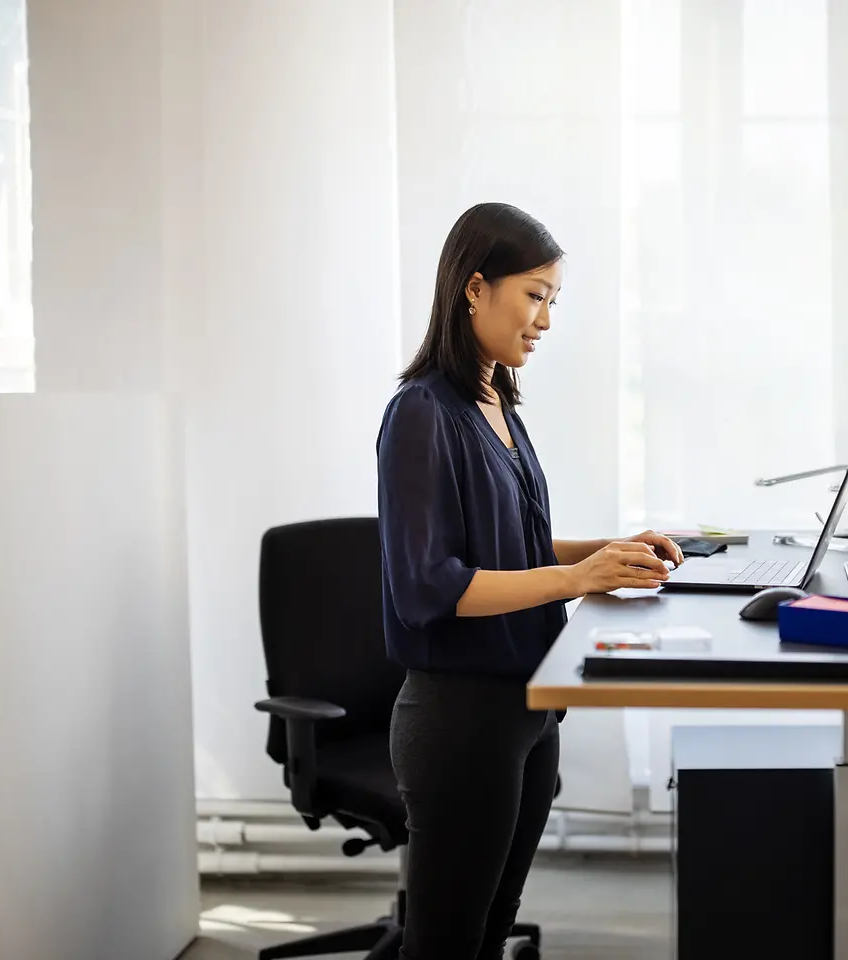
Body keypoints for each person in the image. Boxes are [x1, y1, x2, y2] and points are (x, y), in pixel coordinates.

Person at [377, 202, 683, 959]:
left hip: (525, 710)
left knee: (486, 934)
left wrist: (609, 552)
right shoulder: (422, 413)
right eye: (534, 295)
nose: (545, 318)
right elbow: (431, 584)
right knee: (445, 945)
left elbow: (512, 544)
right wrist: (575, 577)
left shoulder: (498, 403)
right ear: (474, 289)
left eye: (553, 301)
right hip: (460, 720)